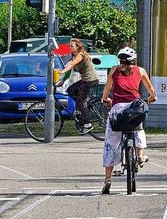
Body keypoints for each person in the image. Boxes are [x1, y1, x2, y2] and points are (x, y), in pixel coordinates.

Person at [100, 47, 156, 194]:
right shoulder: (140, 71)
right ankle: (140, 155)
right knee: (138, 128)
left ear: (120, 60)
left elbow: (106, 90)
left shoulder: (113, 70)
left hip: (118, 108)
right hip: (134, 108)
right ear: (134, 60)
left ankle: (108, 179)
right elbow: (151, 89)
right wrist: (151, 98)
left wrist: (106, 99)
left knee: (110, 143)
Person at [59, 38, 100, 134]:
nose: (70, 47)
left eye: (72, 46)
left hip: (90, 80)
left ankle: (87, 125)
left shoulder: (80, 55)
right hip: (85, 80)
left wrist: (60, 72)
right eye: (69, 45)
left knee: (81, 102)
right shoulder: (74, 56)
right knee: (70, 90)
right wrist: (63, 80)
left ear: (78, 47)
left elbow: (71, 65)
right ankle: (82, 105)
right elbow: (70, 70)